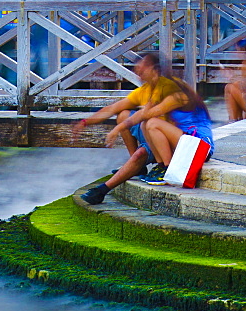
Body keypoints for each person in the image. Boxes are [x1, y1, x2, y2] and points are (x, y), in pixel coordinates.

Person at [81, 75, 213, 203]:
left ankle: (165, 167)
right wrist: (84, 122)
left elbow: (148, 114)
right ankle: (109, 186)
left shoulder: (178, 96)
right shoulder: (154, 91)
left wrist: (117, 129)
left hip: (199, 146)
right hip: (178, 140)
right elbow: (117, 109)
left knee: (151, 123)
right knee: (133, 118)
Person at [74, 53, 179, 203]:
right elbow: (113, 108)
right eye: (137, 70)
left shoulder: (167, 87)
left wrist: (117, 129)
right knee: (123, 114)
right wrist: (84, 122)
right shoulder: (145, 89)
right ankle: (139, 166)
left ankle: (102, 190)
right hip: (150, 133)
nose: (138, 73)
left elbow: (144, 114)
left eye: (142, 69)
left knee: (141, 146)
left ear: (154, 69)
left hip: (166, 140)